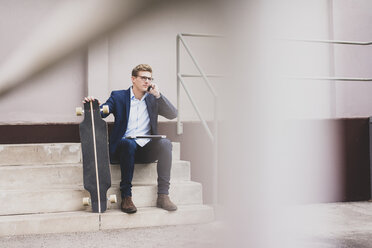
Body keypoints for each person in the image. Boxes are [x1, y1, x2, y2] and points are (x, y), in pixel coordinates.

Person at [84, 64, 178, 214]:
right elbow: (102, 113)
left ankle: (163, 195)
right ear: (133, 79)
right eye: (143, 78)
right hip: (125, 148)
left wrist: (158, 95)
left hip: (146, 148)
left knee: (166, 143)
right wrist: (93, 105)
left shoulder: (153, 99)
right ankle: (126, 196)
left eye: (149, 78)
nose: (147, 81)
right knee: (128, 143)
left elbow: (173, 114)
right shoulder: (119, 96)